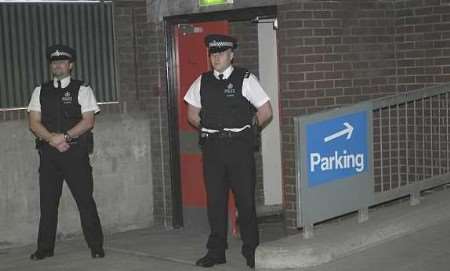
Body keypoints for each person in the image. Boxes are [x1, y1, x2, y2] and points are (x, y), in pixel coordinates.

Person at [184, 34, 273, 269]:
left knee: (245, 201)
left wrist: (249, 133)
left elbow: (265, 111)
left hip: (238, 149)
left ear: (231, 55)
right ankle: (216, 251)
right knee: (215, 202)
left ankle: (251, 249)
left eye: (221, 53)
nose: (216, 58)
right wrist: (206, 128)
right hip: (213, 148)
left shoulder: (245, 78)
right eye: (213, 54)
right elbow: (192, 114)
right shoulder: (202, 81)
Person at [27, 44, 104, 260]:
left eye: (62, 62)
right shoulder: (40, 90)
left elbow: (88, 121)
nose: (58, 65)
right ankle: (45, 248)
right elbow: (34, 122)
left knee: (85, 200)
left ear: (70, 65)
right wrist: (52, 139)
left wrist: (66, 137)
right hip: (49, 154)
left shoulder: (83, 89)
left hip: (75, 153)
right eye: (54, 62)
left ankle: (96, 246)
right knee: (48, 203)